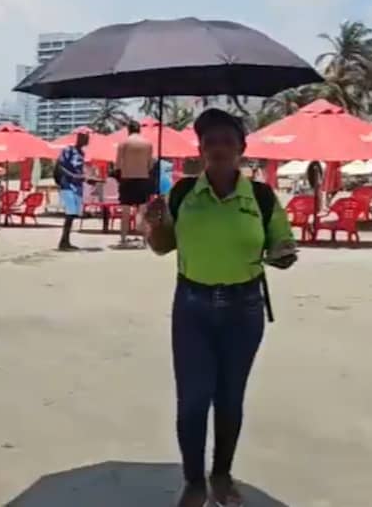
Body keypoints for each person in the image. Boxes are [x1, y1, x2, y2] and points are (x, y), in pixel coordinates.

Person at [144, 109, 297, 507]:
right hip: (192, 307)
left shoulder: (261, 198)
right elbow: (162, 247)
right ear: (201, 149)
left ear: (241, 149)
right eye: (210, 141)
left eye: (227, 140)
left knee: (230, 398)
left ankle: (222, 476)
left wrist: (282, 253)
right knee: (193, 400)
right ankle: (194, 481)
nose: (218, 148)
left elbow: (281, 246)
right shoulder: (181, 194)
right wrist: (155, 224)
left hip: (244, 310)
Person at [115, 120, 154, 247]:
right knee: (142, 211)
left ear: (128, 130)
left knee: (125, 211)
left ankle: (123, 239)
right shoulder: (148, 144)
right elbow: (150, 164)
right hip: (143, 178)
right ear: (139, 130)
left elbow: (117, 165)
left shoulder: (123, 143)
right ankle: (144, 241)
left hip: (127, 178)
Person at [55, 131, 90, 251]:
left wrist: (87, 179)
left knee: (73, 214)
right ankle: (63, 242)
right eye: (85, 137)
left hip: (78, 186)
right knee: (70, 213)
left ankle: (66, 240)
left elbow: (79, 171)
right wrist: (73, 176)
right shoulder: (68, 150)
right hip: (68, 184)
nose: (87, 140)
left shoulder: (82, 153)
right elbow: (60, 166)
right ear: (79, 138)